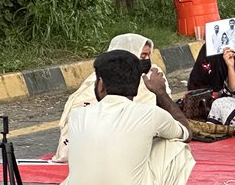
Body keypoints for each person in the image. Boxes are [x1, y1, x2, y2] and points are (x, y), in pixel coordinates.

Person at [57, 51, 193, 185]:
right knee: (175, 145)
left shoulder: (78, 116)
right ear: (137, 86)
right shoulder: (150, 114)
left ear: (100, 83)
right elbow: (186, 132)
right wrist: (161, 93)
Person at [54, 33, 169, 164]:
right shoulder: (97, 80)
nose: (146, 60)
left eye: (149, 55)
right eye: (142, 56)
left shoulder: (153, 75)